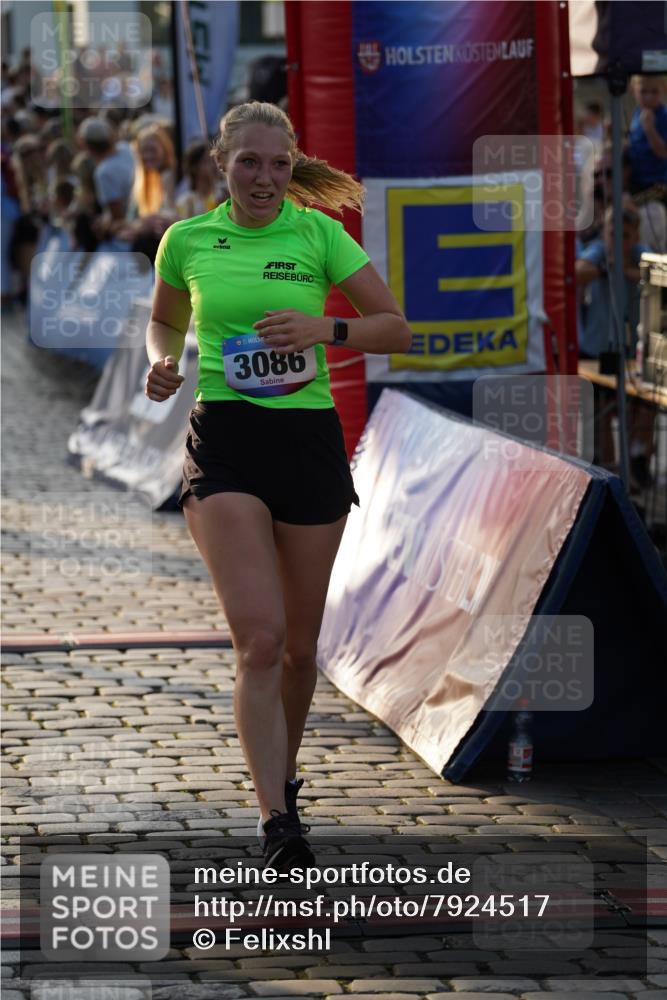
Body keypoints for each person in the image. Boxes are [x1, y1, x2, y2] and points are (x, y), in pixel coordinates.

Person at [144, 100, 411, 872]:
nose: (264, 178)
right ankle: (275, 822)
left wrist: (322, 330)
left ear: (293, 166)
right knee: (258, 640)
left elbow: (393, 325)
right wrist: (160, 362)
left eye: (277, 164)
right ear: (220, 168)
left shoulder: (318, 234)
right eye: (247, 163)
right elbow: (163, 323)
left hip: (307, 445)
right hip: (225, 440)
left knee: (299, 650)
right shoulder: (186, 240)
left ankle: (282, 780)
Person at [576, 203, 655, 488]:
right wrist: (603, 269)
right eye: (614, 233)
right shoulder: (598, 251)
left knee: (647, 404)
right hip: (597, 346)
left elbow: (658, 272)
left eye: (626, 235)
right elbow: (577, 271)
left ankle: (637, 457)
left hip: (632, 348)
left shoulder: (640, 254)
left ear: (635, 236)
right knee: (601, 409)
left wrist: (628, 271)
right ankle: (610, 471)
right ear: (606, 232)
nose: (619, 240)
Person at [176, 139, 226, 218]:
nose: (213, 166)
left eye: (214, 161)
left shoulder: (223, 194)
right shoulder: (185, 202)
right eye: (206, 161)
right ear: (194, 167)